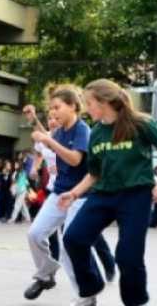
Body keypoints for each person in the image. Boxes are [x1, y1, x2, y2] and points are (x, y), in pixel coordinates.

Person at [59, 79, 157, 306]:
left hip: (135, 196)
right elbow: (94, 173)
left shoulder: (140, 124)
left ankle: (136, 302)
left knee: (128, 257)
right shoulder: (96, 133)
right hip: (103, 195)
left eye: (89, 103)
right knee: (73, 238)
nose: (86, 109)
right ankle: (91, 288)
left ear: (103, 102)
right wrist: (73, 193)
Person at [20, 86, 94, 302]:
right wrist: (33, 119)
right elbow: (46, 135)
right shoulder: (60, 131)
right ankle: (46, 274)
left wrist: (49, 141)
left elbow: (75, 159)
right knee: (35, 234)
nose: (53, 112)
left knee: (69, 247)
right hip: (59, 192)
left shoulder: (82, 130)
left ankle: (86, 298)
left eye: (57, 107)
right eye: (51, 108)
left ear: (72, 106)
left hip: (80, 195)